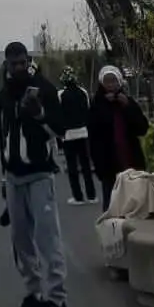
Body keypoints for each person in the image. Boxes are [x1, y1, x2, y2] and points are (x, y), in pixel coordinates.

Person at [0, 41, 69, 307]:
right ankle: (35, 294)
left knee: (47, 239)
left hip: (39, 174)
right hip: (14, 176)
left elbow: (59, 131)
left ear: (28, 61)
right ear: (7, 64)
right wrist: (4, 177)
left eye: (22, 62)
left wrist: (39, 114)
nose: (18, 67)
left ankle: (57, 300)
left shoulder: (45, 90)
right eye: (13, 63)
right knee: (21, 241)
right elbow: (2, 138)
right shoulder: (4, 95)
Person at [88, 65, 148, 212]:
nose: (110, 85)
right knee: (112, 206)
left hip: (130, 160)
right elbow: (93, 136)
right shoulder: (96, 105)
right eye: (107, 82)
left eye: (114, 81)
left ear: (120, 82)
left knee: (135, 205)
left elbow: (142, 128)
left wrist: (127, 106)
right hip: (108, 164)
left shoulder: (128, 102)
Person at [55, 68, 95, 206]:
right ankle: (92, 195)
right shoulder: (83, 92)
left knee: (72, 167)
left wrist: (60, 136)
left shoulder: (60, 94)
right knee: (86, 166)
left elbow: (58, 115)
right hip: (83, 132)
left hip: (68, 135)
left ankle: (78, 197)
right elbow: (88, 110)